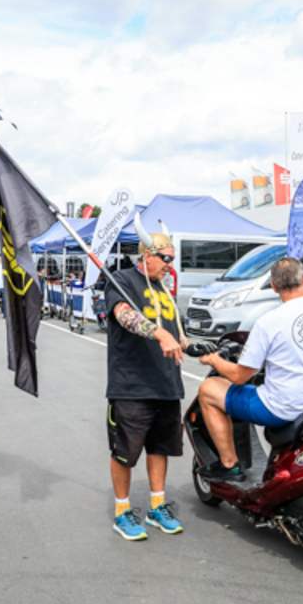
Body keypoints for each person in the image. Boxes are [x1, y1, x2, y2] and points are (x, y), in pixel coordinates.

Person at [197, 257, 303, 478]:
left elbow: (239, 376)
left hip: (282, 409)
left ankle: (228, 464)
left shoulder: (269, 321)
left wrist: (213, 359)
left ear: (273, 286)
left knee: (208, 389)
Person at [104, 220, 187, 541]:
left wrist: (204, 347)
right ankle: (122, 512)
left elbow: (176, 333)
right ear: (146, 256)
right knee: (125, 452)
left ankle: (156, 506)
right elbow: (124, 315)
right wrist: (159, 333)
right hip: (131, 386)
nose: (170, 264)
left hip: (167, 384)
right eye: (165, 258)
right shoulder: (122, 280)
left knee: (159, 448)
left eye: (172, 258)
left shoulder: (165, 287)